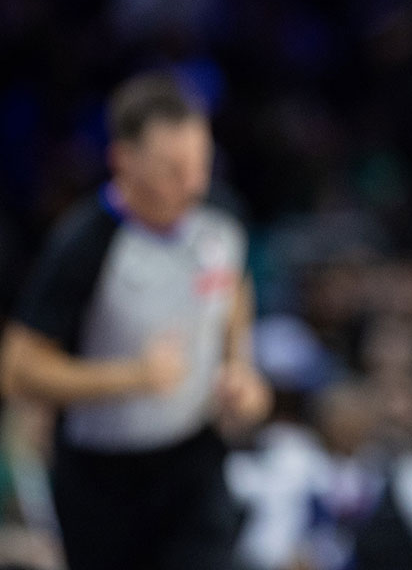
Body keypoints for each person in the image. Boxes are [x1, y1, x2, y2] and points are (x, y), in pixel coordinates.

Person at [0, 72, 272, 570]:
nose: (193, 184)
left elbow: (234, 288)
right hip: (103, 479)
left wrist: (239, 363)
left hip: (194, 459)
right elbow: (17, 368)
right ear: (123, 161)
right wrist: (132, 377)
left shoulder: (222, 217)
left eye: (201, 164)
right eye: (173, 169)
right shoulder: (83, 245)